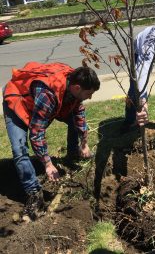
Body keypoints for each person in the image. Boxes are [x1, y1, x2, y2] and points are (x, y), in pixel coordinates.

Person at [2, 62, 100, 220]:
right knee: (19, 150)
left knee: (74, 121)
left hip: (45, 104)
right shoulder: (48, 94)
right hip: (18, 102)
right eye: (89, 93)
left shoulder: (73, 81)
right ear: (77, 88)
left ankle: (73, 155)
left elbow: (78, 112)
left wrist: (84, 143)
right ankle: (34, 194)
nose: (90, 97)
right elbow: (36, 133)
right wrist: (48, 164)